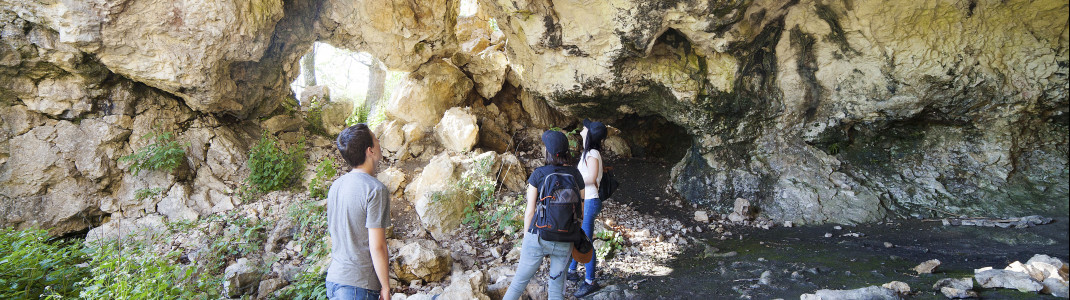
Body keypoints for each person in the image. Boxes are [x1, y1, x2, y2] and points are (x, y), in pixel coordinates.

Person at [503, 130, 586, 300]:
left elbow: (530, 211)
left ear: (547, 151)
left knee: (519, 282)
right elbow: (581, 210)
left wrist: (527, 237)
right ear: (566, 152)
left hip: (539, 235)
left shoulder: (539, 174)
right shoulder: (575, 174)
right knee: (556, 288)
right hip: (566, 237)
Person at [325, 124, 392, 300]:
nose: (379, 142)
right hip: (358, 286)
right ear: (370, 150)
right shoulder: (375, 189)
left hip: (334, 280)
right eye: (376, 139)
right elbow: (377, 246)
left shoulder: (336, 186)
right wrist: (385, 287)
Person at [569, 119, 607, 297]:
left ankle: (590, 281)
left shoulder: (592, 153)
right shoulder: (588, 152)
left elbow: (591, 178)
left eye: (585, 128)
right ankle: (572, 270)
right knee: (578, 234)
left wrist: (572, 182)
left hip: (590, 201)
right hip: (586, 200)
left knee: (586, 240)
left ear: (590, 134)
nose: (582, 129)